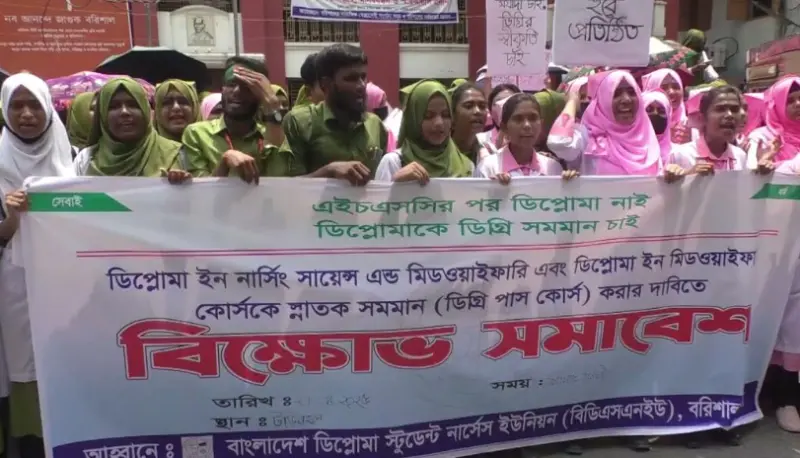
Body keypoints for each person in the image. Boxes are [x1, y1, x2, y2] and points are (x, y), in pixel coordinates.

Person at [0, 72, 75, 458]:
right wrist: (12, 220)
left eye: (34, 105)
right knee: (27, 362)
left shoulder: (76, 158)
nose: (26, 114)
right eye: (16, 105)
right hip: (16, 289)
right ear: (4, 110)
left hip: (70, 283)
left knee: (74, 359)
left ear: (48, 109)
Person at [281, 43, 388, 185]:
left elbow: (383, 181)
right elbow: (285, 187)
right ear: (325, 85)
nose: (361, 85)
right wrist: (329, 171)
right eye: (350, 79)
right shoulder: (299, 122)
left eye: (363, 77)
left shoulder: (375, 124)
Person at [179, 59, 291, 182]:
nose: (237, 91)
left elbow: (279, 180)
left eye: (247, 86)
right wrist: (224, 162)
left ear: (260, 95)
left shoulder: (271, 134)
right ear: (222, 89)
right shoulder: (197, 134)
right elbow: (200, 189)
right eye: (231, 84)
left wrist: (272, 105)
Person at [548, 70, 662, 177]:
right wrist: (572, 101)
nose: (626, 100)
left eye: (632, 93)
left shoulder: (647, 136)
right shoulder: (587, 138)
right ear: (602, 101)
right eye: (616, 94)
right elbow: (558, 142)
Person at [73, 77, 182, 177]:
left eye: (133, 105)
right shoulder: (85, 160)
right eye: (114, 107)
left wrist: (182, 182)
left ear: (145, 109)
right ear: (102, 115)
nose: (124, 112)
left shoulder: (177, 155)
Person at [375, 80, 472, 183]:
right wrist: (396, 183)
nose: (439, 123)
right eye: (428, 116)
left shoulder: (467, 167)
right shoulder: (393, 163)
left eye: (445, 115)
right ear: (413, 119)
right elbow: (380, 193)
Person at [670, 85, 773, 175]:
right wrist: (687, 175)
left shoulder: (739, 156)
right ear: (703, 118)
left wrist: (761, 172)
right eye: (720, 109)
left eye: (734, 110)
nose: (729, 115)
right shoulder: (681, 155)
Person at [474, 93, 574, 181]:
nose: (527, 125)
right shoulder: (488, 168)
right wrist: (493, 190)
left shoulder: (553, 168)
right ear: (504, 127)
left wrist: (572, 184)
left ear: (541, 124)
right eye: (518, 119)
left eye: (533, 118)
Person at [746, 76, 800, 167]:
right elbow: (751, 170)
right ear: (777, 107)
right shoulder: (761, 137)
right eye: (789, 101)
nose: (798, 104)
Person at [641, 69, 691, 144]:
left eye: (676, 87)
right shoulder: (638, 131)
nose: (671, 92)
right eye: (663, 88)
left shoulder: (691, 127)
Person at [449, 82, 490, 163]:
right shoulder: (439, 155)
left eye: (482, 106)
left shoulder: (491, 153)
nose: (478, 111)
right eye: (468, 106)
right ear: (453, 114)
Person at [477, 83, 521, 154]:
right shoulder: (480, 140)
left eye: (509, 101)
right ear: (490, 110)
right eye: (497, 102)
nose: (503, 106)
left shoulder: (528, 137)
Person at [642, 90, 673, 164]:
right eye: (649, 110)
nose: (655, 113)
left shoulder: (676, 154)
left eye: (661, 111)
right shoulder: (630, 152)